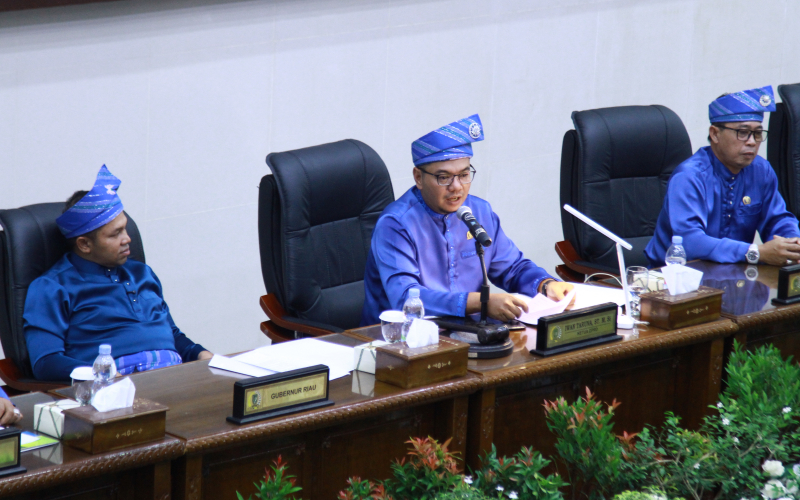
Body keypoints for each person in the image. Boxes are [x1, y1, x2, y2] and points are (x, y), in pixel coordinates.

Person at [361, 114, 573, 326]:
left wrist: (545, 285)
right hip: (401, 340)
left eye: (464, 175)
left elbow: (512, 268)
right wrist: (479, 302)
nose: (456, 187)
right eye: (444, 177)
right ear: (419, 177)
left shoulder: (479, 212)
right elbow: (406, 298)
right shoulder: (396, 224)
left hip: (470, 334)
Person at [23, 166, 213, 381]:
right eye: (116, 234)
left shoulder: (142, 273)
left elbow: (172, 335)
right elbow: (46, 362)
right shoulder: (52, 286)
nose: (127, 238)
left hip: (174, 376)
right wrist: (103, 376)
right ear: (85, 244)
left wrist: (202, 355)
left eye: (125, 228)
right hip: (113, 386)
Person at [645, 85, 800, 267]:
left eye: (757, 133)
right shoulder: (689, 177)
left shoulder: (761, 170)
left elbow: (778, 219)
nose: (752, 142)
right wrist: (755, 253)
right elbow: (690, 242)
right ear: (715, 134)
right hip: (676, 281)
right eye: (742, 133)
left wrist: (792, 243)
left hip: (735, 276)